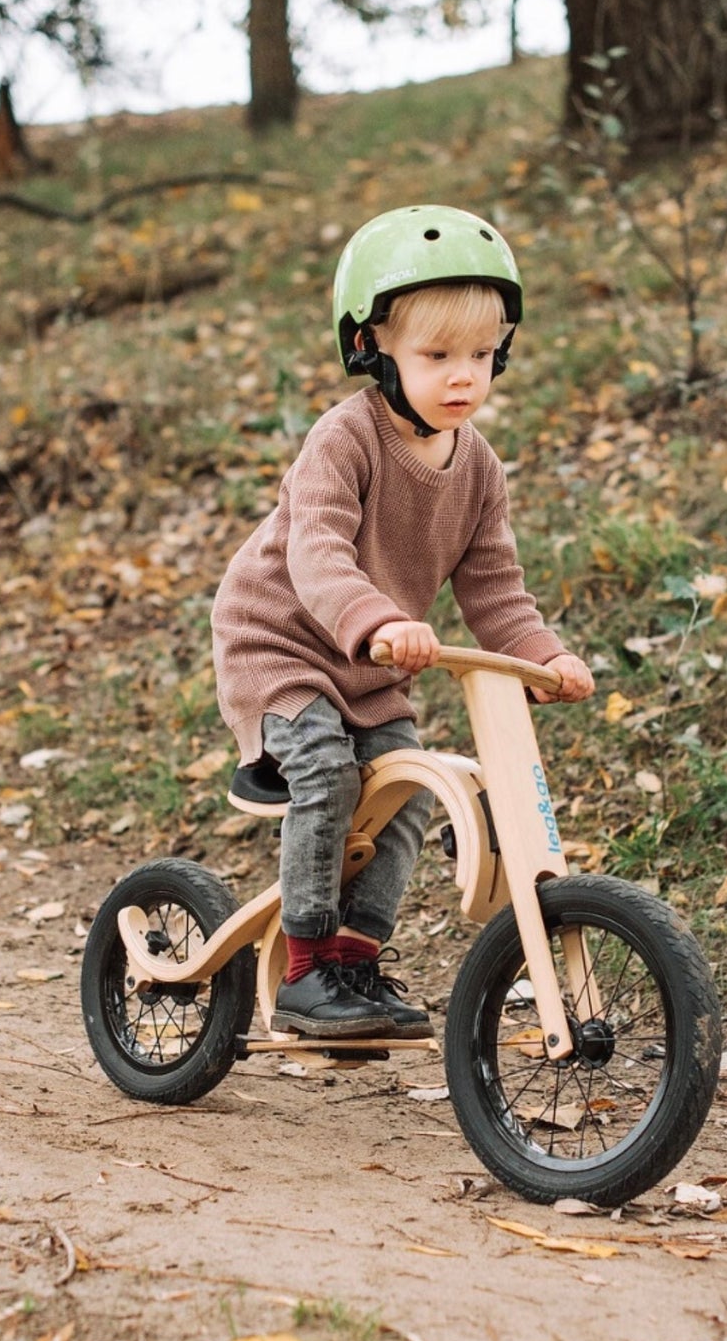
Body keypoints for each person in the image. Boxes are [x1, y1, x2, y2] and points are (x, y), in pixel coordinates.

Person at [210, 205, 595, 1040]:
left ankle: (354, 955)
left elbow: (494, 586)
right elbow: (316, 554)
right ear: (372, 346)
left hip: (374, 661)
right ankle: (308, 968)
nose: (463, 376)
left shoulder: (478, 467)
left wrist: (542, 656)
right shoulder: (344, 439)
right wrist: (378, 617)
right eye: (435, 355)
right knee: (326, 768)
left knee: (409, 789)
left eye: (482, 355)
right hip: (281, 641)